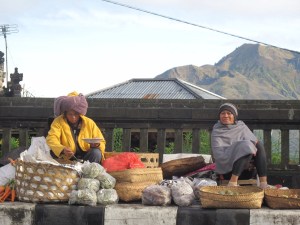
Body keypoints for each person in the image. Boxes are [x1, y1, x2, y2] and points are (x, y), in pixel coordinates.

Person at [211, 103, 269, 189]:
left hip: (247, 171)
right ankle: (233, 182)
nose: (226, 116)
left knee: (257, 144)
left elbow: (254, 144)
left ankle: (263, 183)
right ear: (219, 116)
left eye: (229, 113)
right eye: (223, 113)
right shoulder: (217, 130)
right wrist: (236, 150)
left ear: (234, 116)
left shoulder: (241, 126)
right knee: (246, 146)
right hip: (227, 172)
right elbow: (219, 156)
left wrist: (241, 149)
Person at [46, 91, 106, 163]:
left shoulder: (89, 123)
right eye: (70, 114)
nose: (73, 117)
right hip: (67, 158)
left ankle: (88, 172)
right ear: (65, 113)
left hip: (86, 158)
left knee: (96, 153)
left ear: (80, 112)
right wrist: (62, 149)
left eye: (76, 114)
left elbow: (102, 141)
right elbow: (51, 139)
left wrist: (96, 145)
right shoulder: (58, 122)